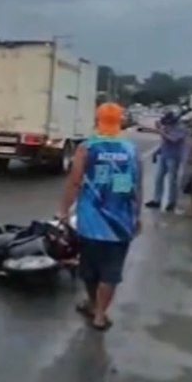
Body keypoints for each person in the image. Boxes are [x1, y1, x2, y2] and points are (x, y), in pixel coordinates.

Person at [59, 102, 142, 332]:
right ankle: (100, 314)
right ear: (120, 122)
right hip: (121, 222)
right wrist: (137, 216)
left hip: (91, 221)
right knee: (111, 271)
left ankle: (93, 303)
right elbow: (136, 186)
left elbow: (75, 182)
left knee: (90, 267)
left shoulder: (87, 148)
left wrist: (64, 210)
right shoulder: (131, 150)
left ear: (97, 121)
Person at [145, 111, 186, 212]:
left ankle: (171, 202)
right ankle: (157, 200)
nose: (167, 125)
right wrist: (156, 152)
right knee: (158, 178)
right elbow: (164, 143)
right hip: (164, 155)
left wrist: (161, 131)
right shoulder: (166, 129)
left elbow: (173, 140)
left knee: (172, 180)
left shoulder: (180, 129)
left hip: (174, 157)